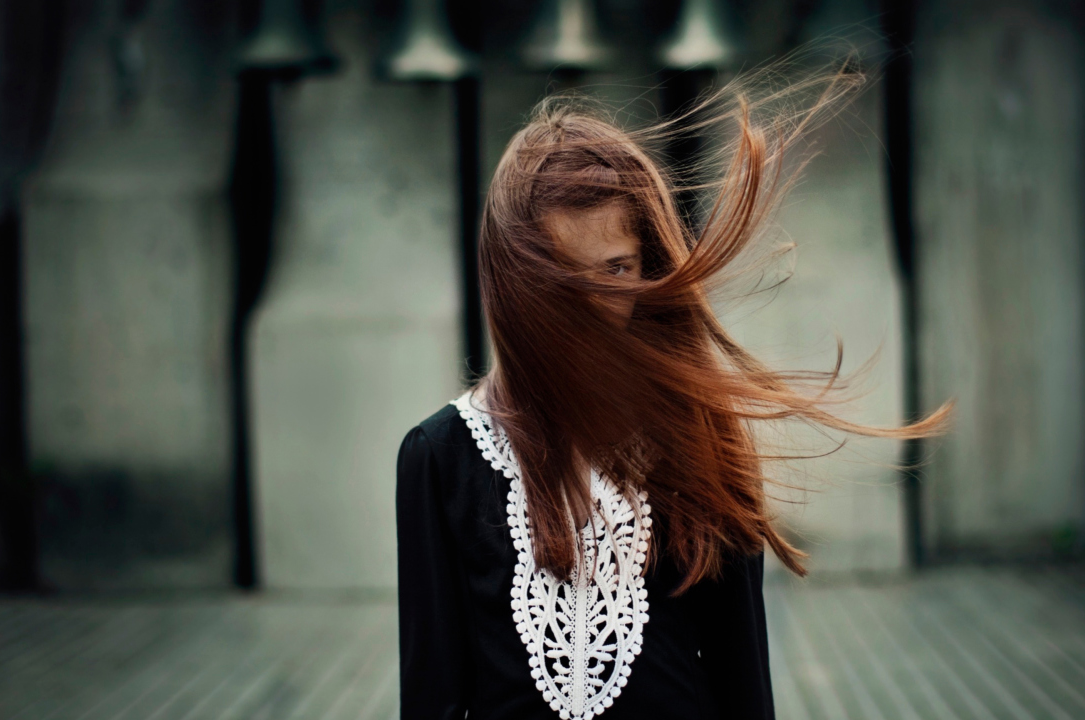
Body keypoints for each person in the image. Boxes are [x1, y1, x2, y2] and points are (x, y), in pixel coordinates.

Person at [396, 64, 950, 720]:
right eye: (564, 280)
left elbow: (744, 683)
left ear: (649, 267)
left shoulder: (701, 437)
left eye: (619, 270)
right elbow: (431, 697)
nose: (597, 304)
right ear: (513, 283)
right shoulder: (440, 455)